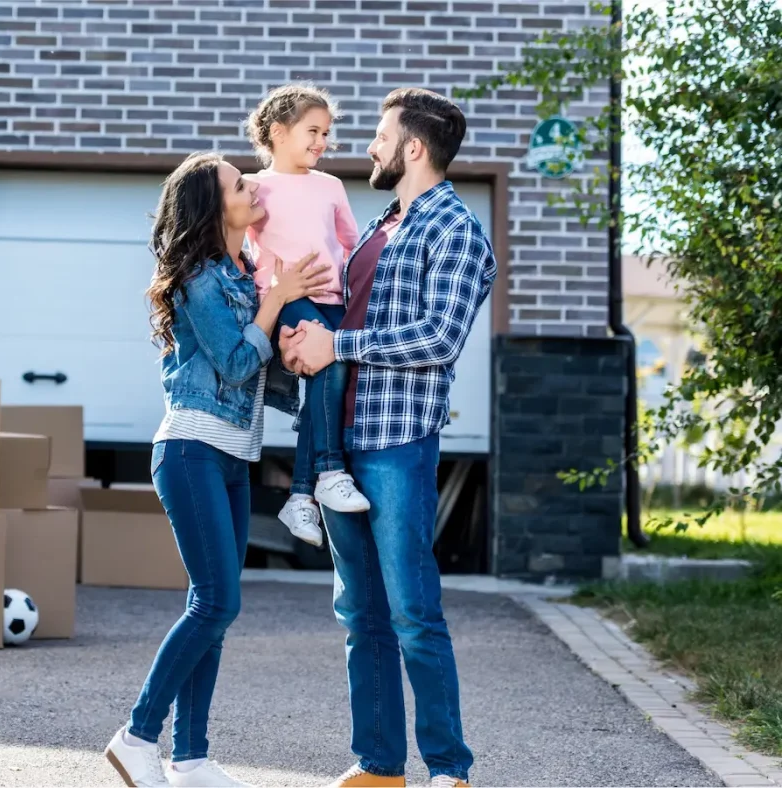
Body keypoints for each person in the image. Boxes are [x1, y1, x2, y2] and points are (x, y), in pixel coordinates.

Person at [280, 88, 497, 788]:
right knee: (359, 613)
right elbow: (340, 318)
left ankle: (448, 770)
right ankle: (379, 766)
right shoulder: (380, 225)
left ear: (413, 147)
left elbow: (438, 338)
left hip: (397, 442)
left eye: (379, 135)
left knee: (411, 609)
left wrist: (336, 344)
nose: (367, 147)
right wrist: (304, 340)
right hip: (339, 445)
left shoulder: (456, 229)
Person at [104, 151, 336, 788]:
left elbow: (263, 377)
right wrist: (279, 303)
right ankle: (137, 734)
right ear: (215, 207)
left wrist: (297, 346)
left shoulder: (245, 272)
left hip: (234, 457)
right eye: (240, 183)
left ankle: (193, 759)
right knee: (216, 603)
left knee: (215, 608)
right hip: (191, 451)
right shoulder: (200, 278)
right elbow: (235, 364)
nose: (253, 186)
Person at [243, 83, 372, 550]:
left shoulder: (331, 186)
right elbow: (236, 241)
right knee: (329, 367)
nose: (322, 142)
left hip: (332, 299)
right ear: (278, 132)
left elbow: (351, 246)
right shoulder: (255, 188)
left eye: (327, 133)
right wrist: (268, 301)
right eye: (312, 131)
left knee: (328, 381)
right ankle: (329, 472)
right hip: (287, 299)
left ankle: (301, 495)